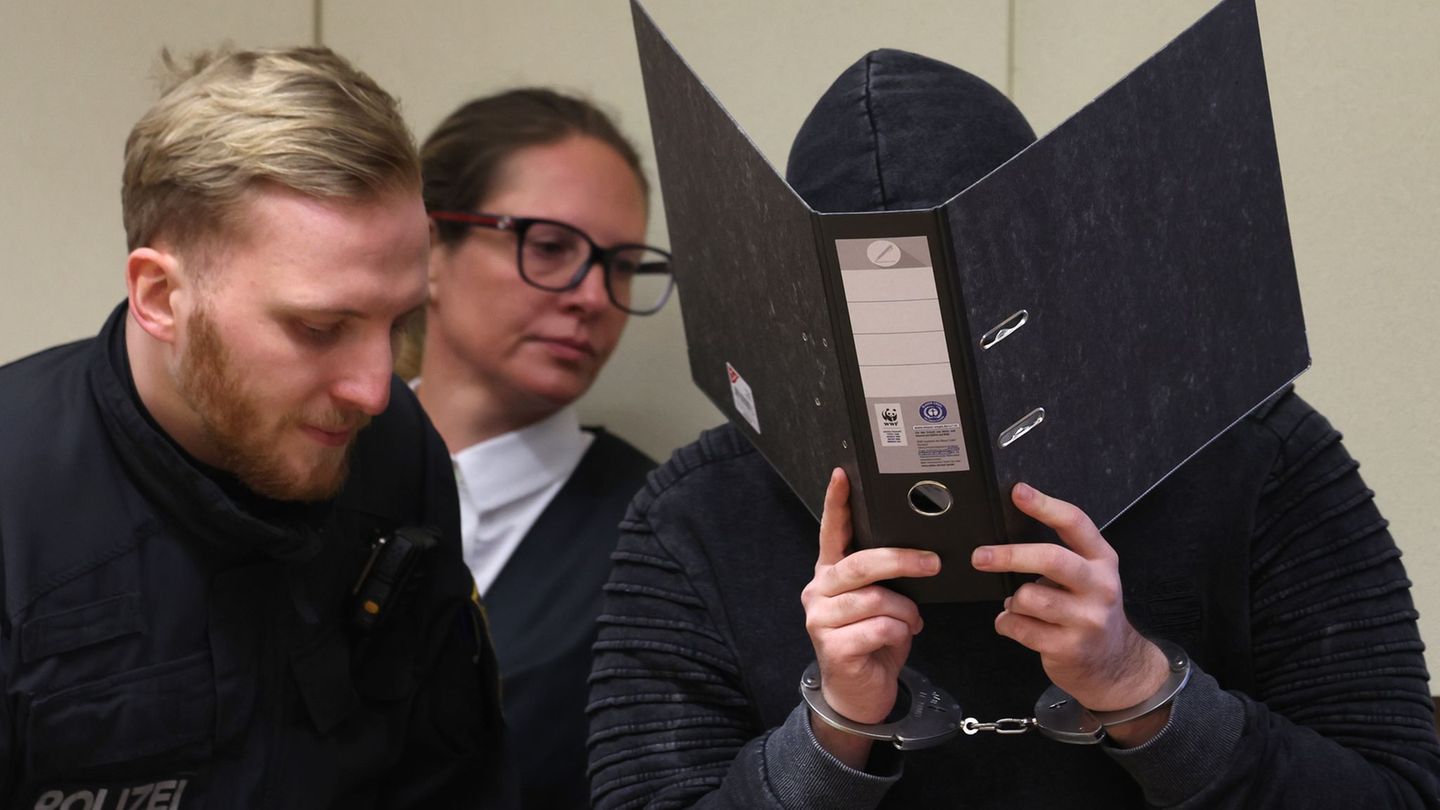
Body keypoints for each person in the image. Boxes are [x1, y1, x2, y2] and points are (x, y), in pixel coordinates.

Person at [587, 49, 1440, 808]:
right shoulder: (694, 514)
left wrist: (1139, 687)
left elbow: (1399, 787)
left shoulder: (1260, 458)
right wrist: (834, 731)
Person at [0, 47, 514, 808]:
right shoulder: (17, 496)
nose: (375, 389)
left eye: (401, 321)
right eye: (320, 327)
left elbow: (449, 778)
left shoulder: (396, 449)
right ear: (160, 296)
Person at [404, 89, 669, 809]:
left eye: (620, 266)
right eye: (549, 247)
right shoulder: (310, 473)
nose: (593, 296)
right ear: (427, 249)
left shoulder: (658, 542)